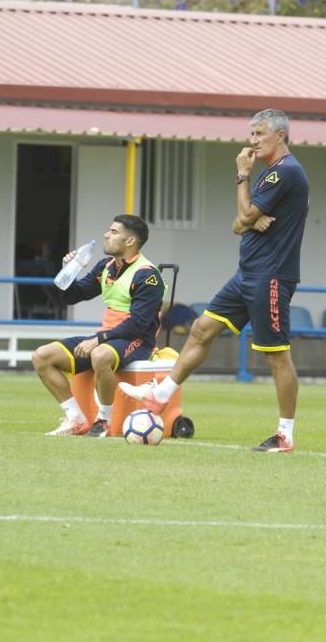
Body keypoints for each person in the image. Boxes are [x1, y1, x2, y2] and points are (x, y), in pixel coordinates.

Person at [120, 108, 309, 453]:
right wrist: (249, 218)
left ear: (280, 135)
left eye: (260, 134)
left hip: (269, 277)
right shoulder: (272, 174)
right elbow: (239, 224)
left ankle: (285, 435)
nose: (252, 141)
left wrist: (241, 177)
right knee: (201, 329)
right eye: (251, 134)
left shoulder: (284, 172)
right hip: (246, 274)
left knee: (277, 357)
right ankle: (159, 397)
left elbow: (244, 215)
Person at [32, 214, 166, 438]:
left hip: (138, 341)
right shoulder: (106, 266)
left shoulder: (148, 275)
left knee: (100, 355)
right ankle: (75, 419)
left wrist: (98, 340)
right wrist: (69, 271)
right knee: (41, 356)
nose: (106, 234)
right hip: (108, 339)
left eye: (114, 232)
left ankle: (103, 420)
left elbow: (139, 324)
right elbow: (72, 297)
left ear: (130, 241)